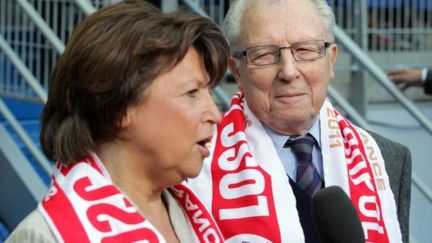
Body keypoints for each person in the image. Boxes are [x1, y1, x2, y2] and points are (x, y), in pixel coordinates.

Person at [187, 0, 411, 242]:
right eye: (264, 54)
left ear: (331, 60)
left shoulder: (388, 159)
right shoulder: (193, 166)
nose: (289, 71)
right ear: (237, 71)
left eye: (304, 50)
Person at [6, 0, 229, 242]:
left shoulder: (198, 215)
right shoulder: (45, 236)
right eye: (192, 93)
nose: (215, 114)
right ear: (120, 107)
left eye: (210, 93)